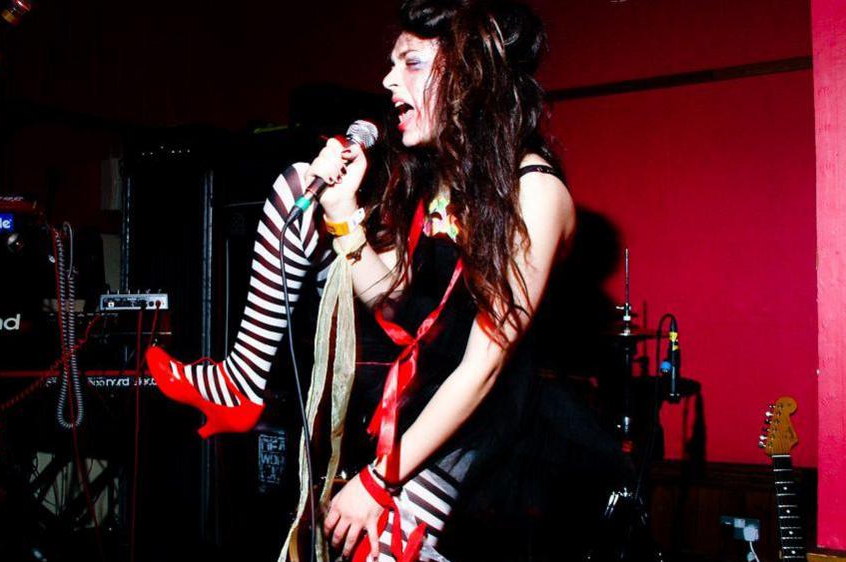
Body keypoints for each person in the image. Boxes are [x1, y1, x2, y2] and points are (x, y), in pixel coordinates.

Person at [146, 1, 630, 560]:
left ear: (472, 75)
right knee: (301, 184)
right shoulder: (441, 180)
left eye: (412, 63)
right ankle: (242, 381)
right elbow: (393, 298)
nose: (387, 79)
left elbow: (484, 367)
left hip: (493, 419)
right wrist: (344, 213)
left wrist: (378, 481)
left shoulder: (535, 191)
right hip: (425, 390)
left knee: (384, 545)